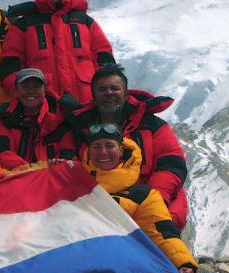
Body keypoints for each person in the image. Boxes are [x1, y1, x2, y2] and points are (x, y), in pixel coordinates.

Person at [79, 124, 199, 273]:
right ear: (88, 152)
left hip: (121, 254)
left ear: (121, 149)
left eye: (110, 146)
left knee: (133, 239)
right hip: (83, 252)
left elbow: (163, 232)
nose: (103, 152)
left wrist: (184, 263)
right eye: (96, 147)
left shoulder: (143, 195)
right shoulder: (74, 185)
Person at [74, 64, 189, 228]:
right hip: (99, 199)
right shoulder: (78, 126)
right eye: (102, 89)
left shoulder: (152, 125)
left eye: (115, 88)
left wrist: (151, 199)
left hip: (150, 195)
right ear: (93, 94)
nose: (109, 93)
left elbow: (172, 166)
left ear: (125, 92)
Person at [0, 0, 115, 106]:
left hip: (88, 105)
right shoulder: (23, 25)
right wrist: (26, 98)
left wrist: (104, 96)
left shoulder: (85, 22)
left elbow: (105, 60)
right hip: (44, 109)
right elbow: (9, 68)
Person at [0, 68, 76, 169]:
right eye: (25, 87)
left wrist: (53, 168)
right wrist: (34, 170)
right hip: (17, 179)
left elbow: (69, 154)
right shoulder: (2, 120)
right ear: (16, 89)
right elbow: (0, 154)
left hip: (54, 178)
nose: (31, 91)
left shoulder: (61, 118)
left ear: (45, 89)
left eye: (36, 86)